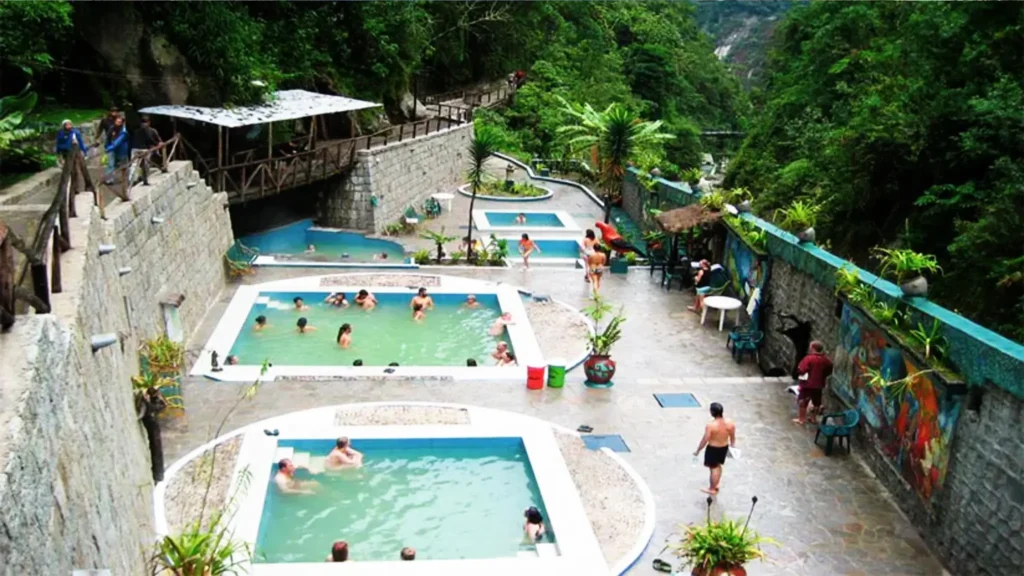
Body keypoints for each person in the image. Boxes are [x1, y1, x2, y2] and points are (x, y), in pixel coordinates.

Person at [693, 403, 736, 495]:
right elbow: (732, 437)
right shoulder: (730, 423)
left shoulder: (711, 426)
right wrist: (732, 447)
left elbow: (705, 439)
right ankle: (716, 484)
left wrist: (698, 450)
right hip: (724, 447)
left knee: (714, 468)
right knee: (718, 466)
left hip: (713, 448)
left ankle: (712, 488)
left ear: (712, 412)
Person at [793, 341, 833, 424]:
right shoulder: (826, 360)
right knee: (816, 402)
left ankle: (801, 419)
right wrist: (822, 376)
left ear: (812, 348)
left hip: (807, 384)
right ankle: (813, 418)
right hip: (819, 384)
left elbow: (802, 369)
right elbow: (829, 369)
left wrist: (801, 374)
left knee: (803, 401)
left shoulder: (809, 358)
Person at [131, 115, 163, 185]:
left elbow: (132, 139)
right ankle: (145, 180)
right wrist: (157, 144)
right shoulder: (150, 130)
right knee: (145, 164)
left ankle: (133, 180)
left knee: (134, 164)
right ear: (149, 122)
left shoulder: (136, 130)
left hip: (135, 148)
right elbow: (151, 139)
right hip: (145, 149)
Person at [103, 116, 130, 185]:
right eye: (117, 121)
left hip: (121, 150)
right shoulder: (112, 128)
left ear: (122, 123)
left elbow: (118, 142)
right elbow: (108, 137)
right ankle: (109, 180)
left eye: (119, 122)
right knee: (110, 164)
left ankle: (127, 179)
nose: (118, 123)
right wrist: (106, 146)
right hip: (112, 149)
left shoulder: (124, 132)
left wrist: (109, 148)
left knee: (124, 166)